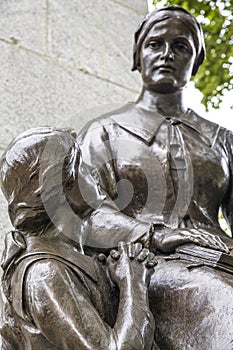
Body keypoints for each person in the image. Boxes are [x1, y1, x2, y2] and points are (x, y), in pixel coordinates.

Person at [77, 6, 233, 349]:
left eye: (181, 46)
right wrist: (156, 235)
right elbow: (86, 215)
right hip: (149, 266)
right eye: (155, 44)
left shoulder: (222, 140)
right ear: (137, 55)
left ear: (196, 61)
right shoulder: (103, 132)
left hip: (223, 257)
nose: (166, 54)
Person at [0, 127, 157, 350]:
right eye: (82, 164)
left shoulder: (72, 257)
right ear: (63, 186)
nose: (92, 170)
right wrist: (134, 284)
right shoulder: (45, 273)